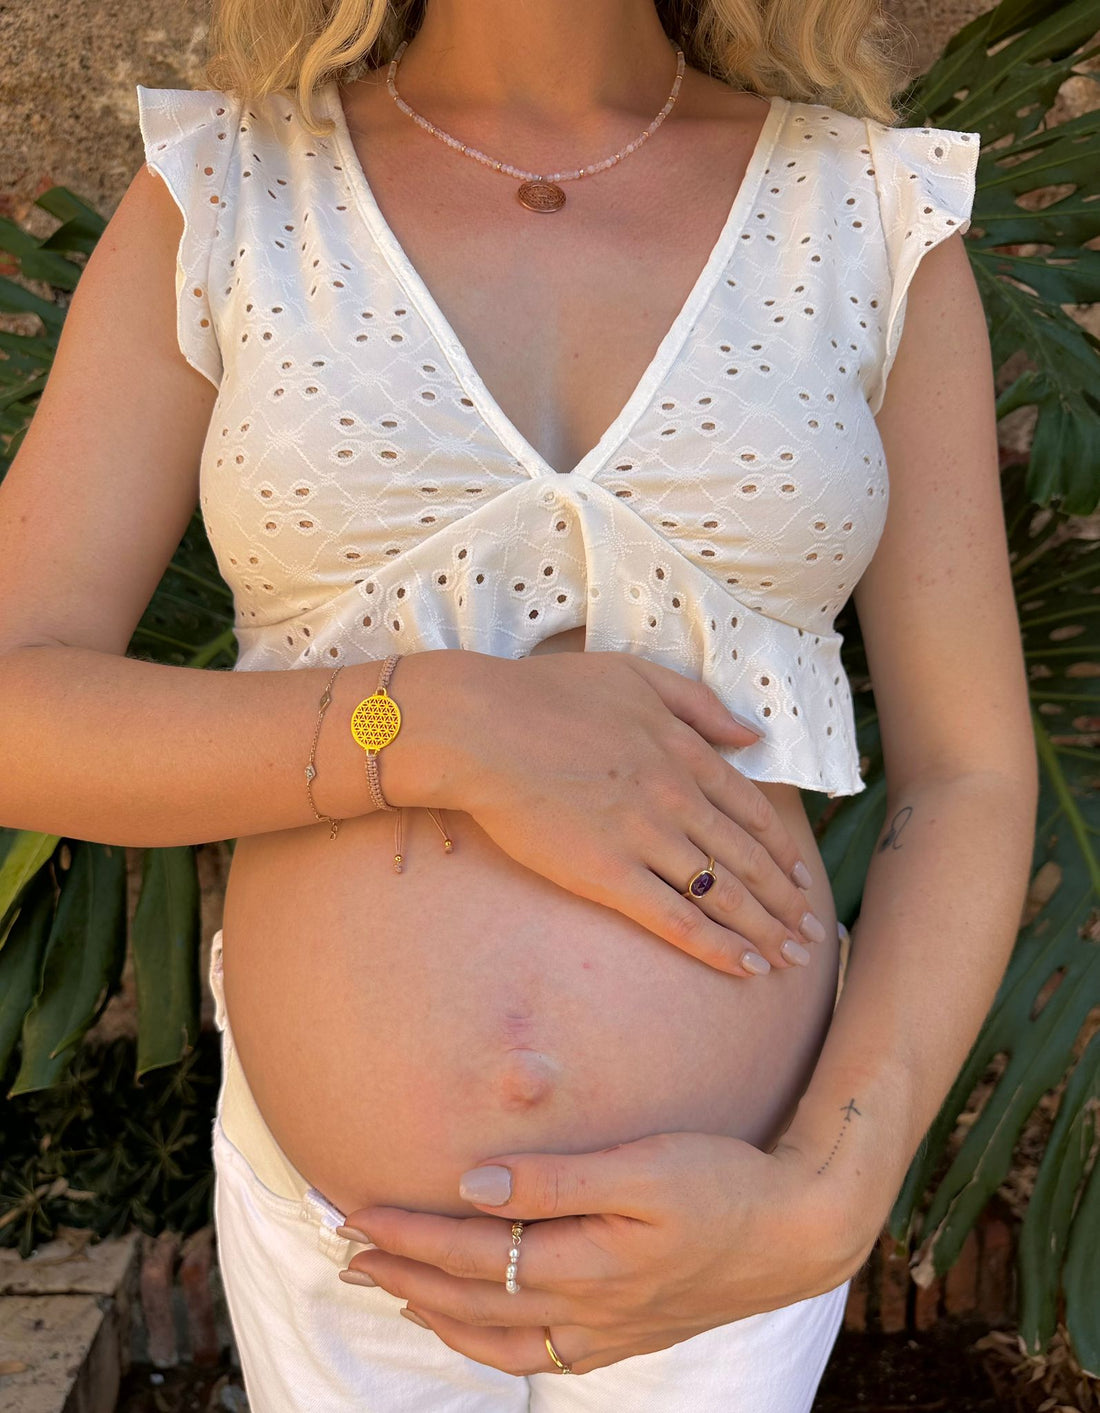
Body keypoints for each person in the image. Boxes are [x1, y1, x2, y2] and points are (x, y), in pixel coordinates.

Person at [0, 0, 1037, 1408]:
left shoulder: (862, 212)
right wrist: (427, 726)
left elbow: (967, 770)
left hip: (723, 1236)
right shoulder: (234, 189)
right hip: (352, 1251)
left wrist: (835, 1183)